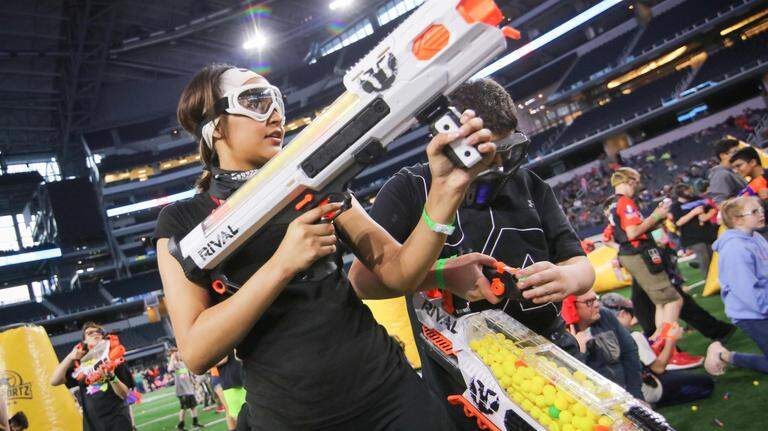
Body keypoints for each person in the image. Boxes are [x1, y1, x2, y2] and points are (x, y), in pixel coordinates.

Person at [154, 64, 498, 430]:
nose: (276, 116)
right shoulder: (183, 221)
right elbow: (196, 352)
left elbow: (398, 271)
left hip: (393, 397)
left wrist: (446, 191)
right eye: (255, 101)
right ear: (215, 126)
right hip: (291, 421)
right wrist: (282, 264)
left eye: (277, 102)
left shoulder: (314, 182)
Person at [348, 78, 595, 430]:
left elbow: (580, 265)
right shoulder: (409, 189)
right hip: (463, 381)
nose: (499, 164)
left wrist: (567, 277)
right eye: (485, 151)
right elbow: (362, 281)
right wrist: (442, 274)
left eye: (506, 148)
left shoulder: (531, 185)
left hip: (548, 358)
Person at [608, 168, 683, 341]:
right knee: (673, 300)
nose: (638, 186)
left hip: (631, 255)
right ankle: (665, 344)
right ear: (630, 181)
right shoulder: (625, 202)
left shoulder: (613, 203)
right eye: (637, 181)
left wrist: (655, 221)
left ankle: (659, 342)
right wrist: (656, 216)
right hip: (639, 254)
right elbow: (633, 233)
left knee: (661, 303)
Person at [600, 293, 714, 406]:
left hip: (617, 396)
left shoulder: (599, 338)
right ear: (623, 314)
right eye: (631, 313)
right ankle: (660, 401)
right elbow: (659, 368)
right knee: (706, 383)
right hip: (645, 391)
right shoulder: (633, 337)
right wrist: (671, 340)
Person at [706, 196, 768, 375]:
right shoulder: (735, 248)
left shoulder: (755, 236)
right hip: (752, 314)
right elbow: (746, 292)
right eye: (754, 212)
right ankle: (723, 355)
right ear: (737, 219)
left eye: (760, 209)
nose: (761, 214)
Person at [50, 322, 134, 431]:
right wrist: (70, 356)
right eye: (90, 333)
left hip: (118, 423)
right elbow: (54, 381)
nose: (95, 334)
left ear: (103, 337)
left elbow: (124, 394)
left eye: (98, 332)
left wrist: (112, 377)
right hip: (93, 425)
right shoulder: (80, 366)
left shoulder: (115, 358)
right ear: (84, 341)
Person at [570, 291, 644, 400]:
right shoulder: (564, 335)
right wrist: (580, 353)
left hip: (625, 391)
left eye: (596, 299)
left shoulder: (605, 315)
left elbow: (629, 353)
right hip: (594, 400)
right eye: (589, 302)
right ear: (571, 307)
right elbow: (571, 379)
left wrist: (635, 394)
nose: (597, 304)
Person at [668, 183, 718, 279]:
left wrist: (706, 217)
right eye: (687, 190)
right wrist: (693, 213)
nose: (690, 192)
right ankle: (709, 281)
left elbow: (713, 209)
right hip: (693, 239)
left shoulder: (698, 199)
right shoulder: (675, 207)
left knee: (715, 259)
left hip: (708, 234)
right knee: (705, 260)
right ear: (680, 193)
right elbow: (678, 222)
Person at [168, 348, 205, 430]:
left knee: (193, 406)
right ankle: (180, 425)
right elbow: (169, 369)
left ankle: (195, 423)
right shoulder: (175, 364)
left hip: (189, 389)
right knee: (183, 408)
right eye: (178, 353)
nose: (180, 354)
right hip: (182, 391)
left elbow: (189, 375)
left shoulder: (184, 363)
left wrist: (194, 384)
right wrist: (172, 357)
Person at [707, 138, 747, 203]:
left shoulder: (731, 171)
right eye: (735, 152)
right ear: (722, 155)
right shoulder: (721, 175)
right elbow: (720, 202)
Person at [216, 353, 246, 431]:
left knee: (238, 416)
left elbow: (224, 358)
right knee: (234, 414)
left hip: (233, 381)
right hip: (232, 382)